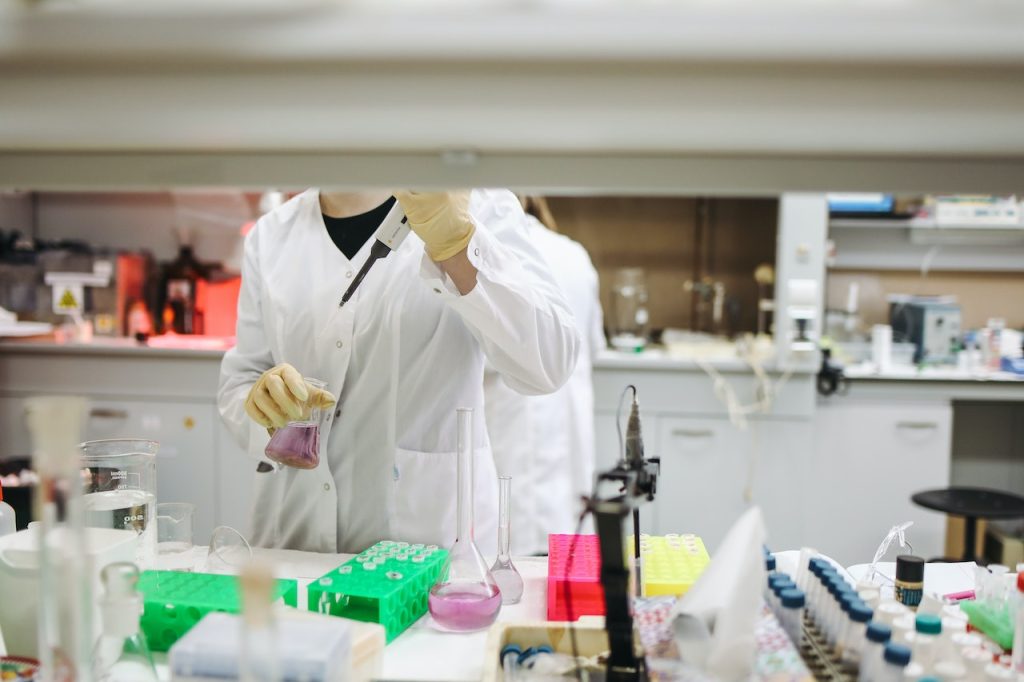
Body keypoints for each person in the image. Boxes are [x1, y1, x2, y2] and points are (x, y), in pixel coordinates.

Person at [218, 190, 580, 554]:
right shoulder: (271, 235)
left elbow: (549, 363)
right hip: (294, 543)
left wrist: (459, 245)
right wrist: (262, 406)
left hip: (428, 551)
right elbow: (240, 380)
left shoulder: (479, 206)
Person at [483, 196, 605, 555]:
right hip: (569, 472)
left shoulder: (484, 252)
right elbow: (592, 348)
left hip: (506, 467)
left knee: (512, 586)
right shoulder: (574, 255)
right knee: (565, 589)